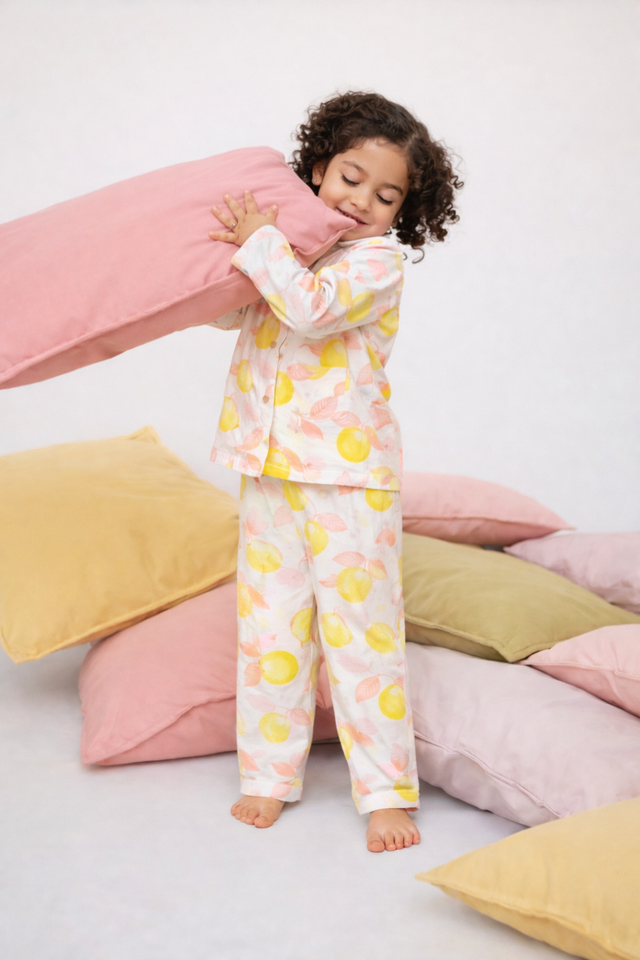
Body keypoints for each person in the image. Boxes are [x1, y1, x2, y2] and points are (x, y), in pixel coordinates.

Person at [207, 91, 462, 852]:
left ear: (403, 213)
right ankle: (268, 774)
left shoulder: (375, 263)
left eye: (386, 196)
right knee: (269, 630)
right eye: (351, 178)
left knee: (361, 638)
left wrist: (263, 246)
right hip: (268, 465)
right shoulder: (288, 249)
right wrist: (240, 251)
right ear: (318, 168)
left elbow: (311, 309)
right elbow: (229, 312)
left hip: (349, 480)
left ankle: (385, 792)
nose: (362, 201)